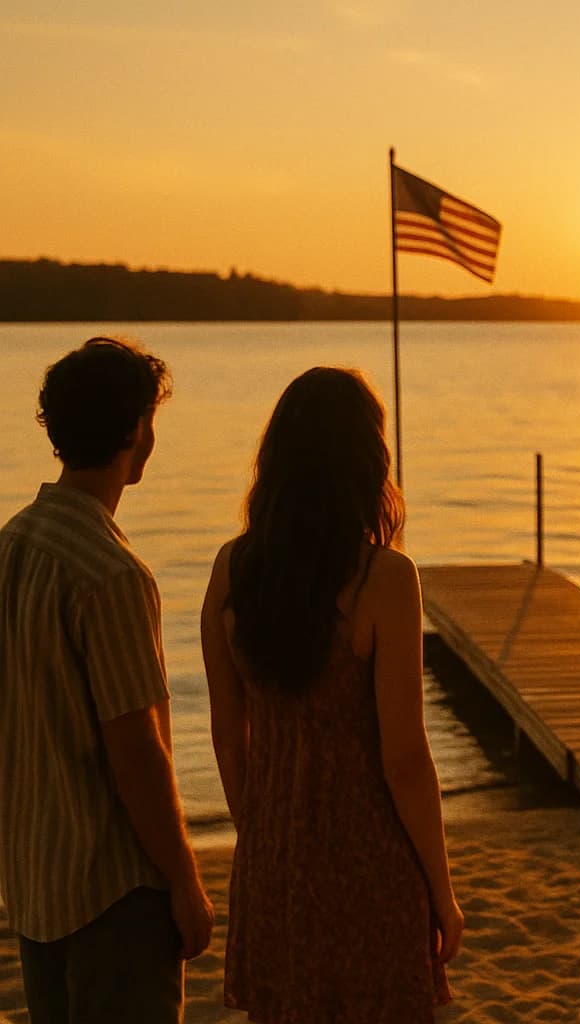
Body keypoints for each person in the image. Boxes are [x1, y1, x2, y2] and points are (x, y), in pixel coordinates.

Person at [201, 367, 462, 1023]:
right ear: (367, 461)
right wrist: (441, 887)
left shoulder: (232, 570)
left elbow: (229, 738)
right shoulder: (385, 578)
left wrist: (261, 834)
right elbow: (405, 759)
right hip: (369, 867)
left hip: (274, 868)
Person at [0, 337, 213, 1024]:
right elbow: (137, 751)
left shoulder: (11, 547)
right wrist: (184, 881)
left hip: (33, 889)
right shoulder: (113, 573)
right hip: (112, 895)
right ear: (136, 431)